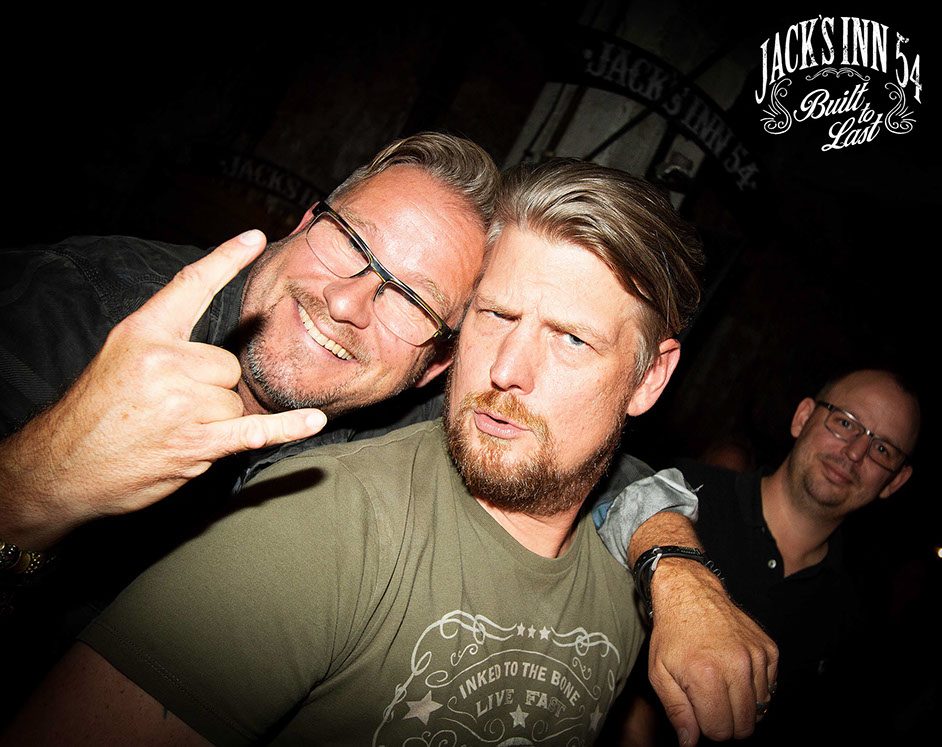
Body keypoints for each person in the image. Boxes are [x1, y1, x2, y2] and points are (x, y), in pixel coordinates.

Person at [2, 159, 777, 746]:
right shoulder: (81, 305)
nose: (347, 302)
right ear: (306, 218)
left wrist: (678, 570)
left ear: (433, 362)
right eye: (496, 315)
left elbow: (599, 466)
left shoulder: (430, 408)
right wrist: (32, 487)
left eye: (410, 298)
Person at [607, 369, 920, 745]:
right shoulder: (682, 494)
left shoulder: (862, 618)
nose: (855, 452)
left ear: (895, 481)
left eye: (882, 449)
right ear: (803, 417)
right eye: (845, 422)